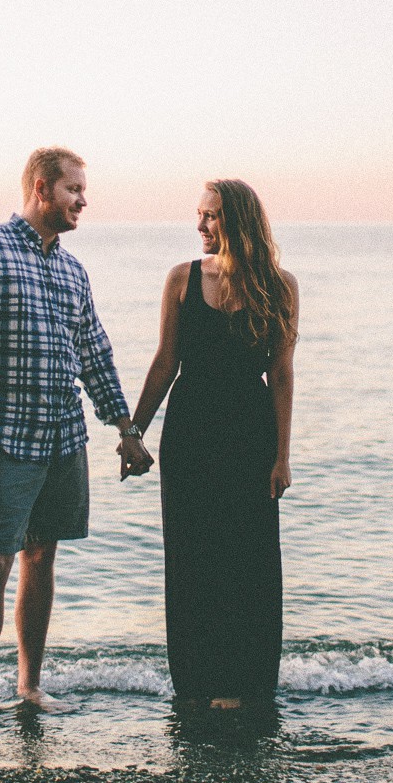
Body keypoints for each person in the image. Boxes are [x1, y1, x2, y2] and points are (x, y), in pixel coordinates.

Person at [0, 147, 151, 729]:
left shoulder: (73, 269)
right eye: (74, 190)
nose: (83, 201)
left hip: (63, 438)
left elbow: (95, 355)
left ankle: (29, 686)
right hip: (5, 439)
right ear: (41, 187)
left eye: (83, 191)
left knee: (42, 556)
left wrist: (126, 429)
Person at [122, 179, 297, 710]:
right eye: (199, 215)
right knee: (193, 556)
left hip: (250, 431)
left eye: (212, 216)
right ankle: (197, 684)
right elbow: (164, 362)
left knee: (250, 559)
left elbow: (283, 373)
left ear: (239, 221)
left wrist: (283, 455)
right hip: (191, 432)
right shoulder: (182, 278)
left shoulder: (281, 286)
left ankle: (248, 684)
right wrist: (134, 432)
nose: (200, 226)